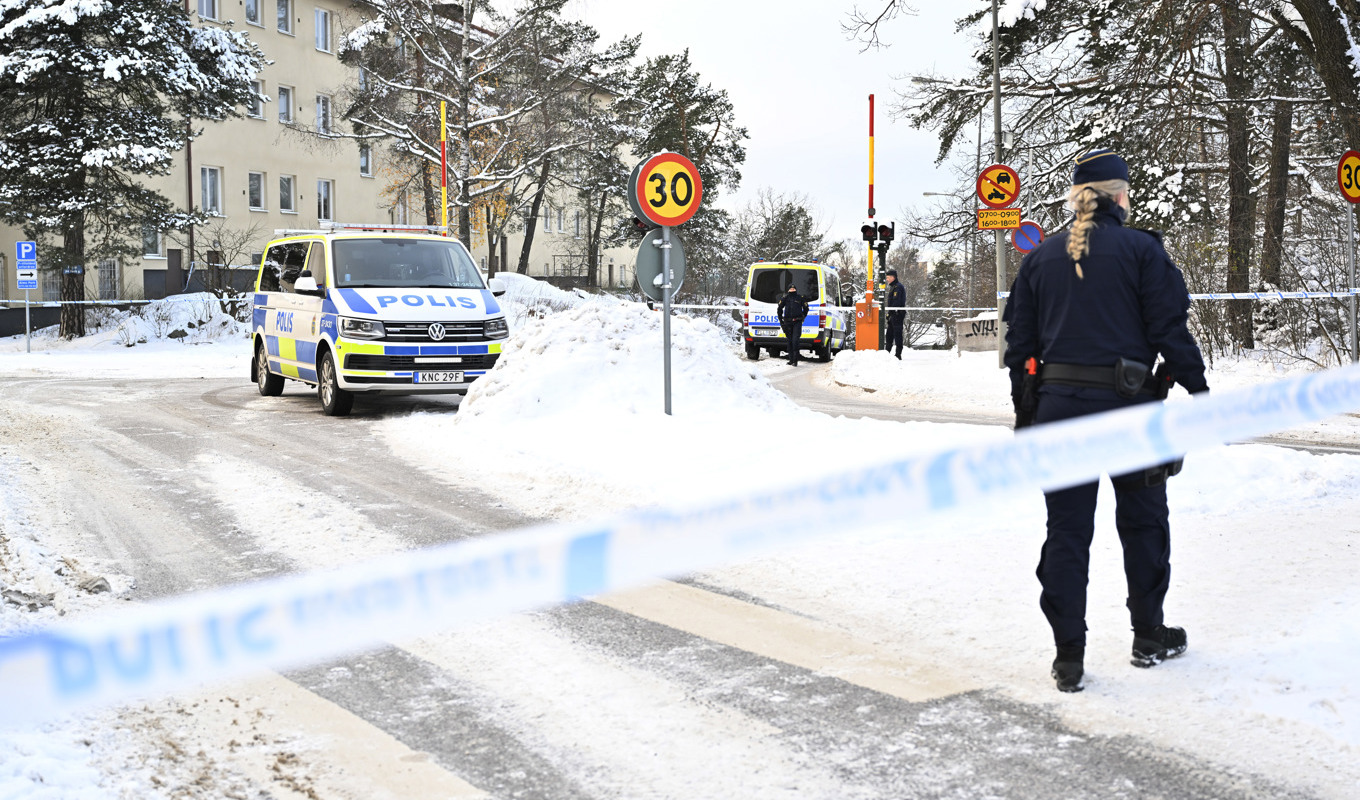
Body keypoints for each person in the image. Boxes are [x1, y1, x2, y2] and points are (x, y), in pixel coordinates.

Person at [1002, 148, 1209, 694]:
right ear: (1119, 196)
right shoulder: (1142, 250)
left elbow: (1018, 346)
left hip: (1059, 412)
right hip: (1131, 411)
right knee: (1142, 522)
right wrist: (1198, 386)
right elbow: (1170, 328)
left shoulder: (1040, 258)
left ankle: (1068, 654)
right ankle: (1148, 635)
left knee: (1066, 532)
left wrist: (1028, 415)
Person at [777, 283, 809, 365]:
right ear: (788, 290)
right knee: (789, 341)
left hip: (797, 322)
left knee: (795, 340)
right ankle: (791, 360)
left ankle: (795, 360)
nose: (792, 290)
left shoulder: (800, 298)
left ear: (796, 290)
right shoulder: (785, 298)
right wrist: (781, 320)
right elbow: (779, 308)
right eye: (790, 289)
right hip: (787, 322)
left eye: (793, 289)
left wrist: (803, 316)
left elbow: (806, 308)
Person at [884, 268, 906, 359]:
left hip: (897, 314)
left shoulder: (898, 287)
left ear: (893, 277)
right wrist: (889, 314)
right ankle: (886, 353)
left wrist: (891, 313)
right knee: (889, 335)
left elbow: (896, 302)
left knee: (897, 335)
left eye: (888, 277)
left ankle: (898, 355)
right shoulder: (893, 287)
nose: (887, 279)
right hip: (893, 314)